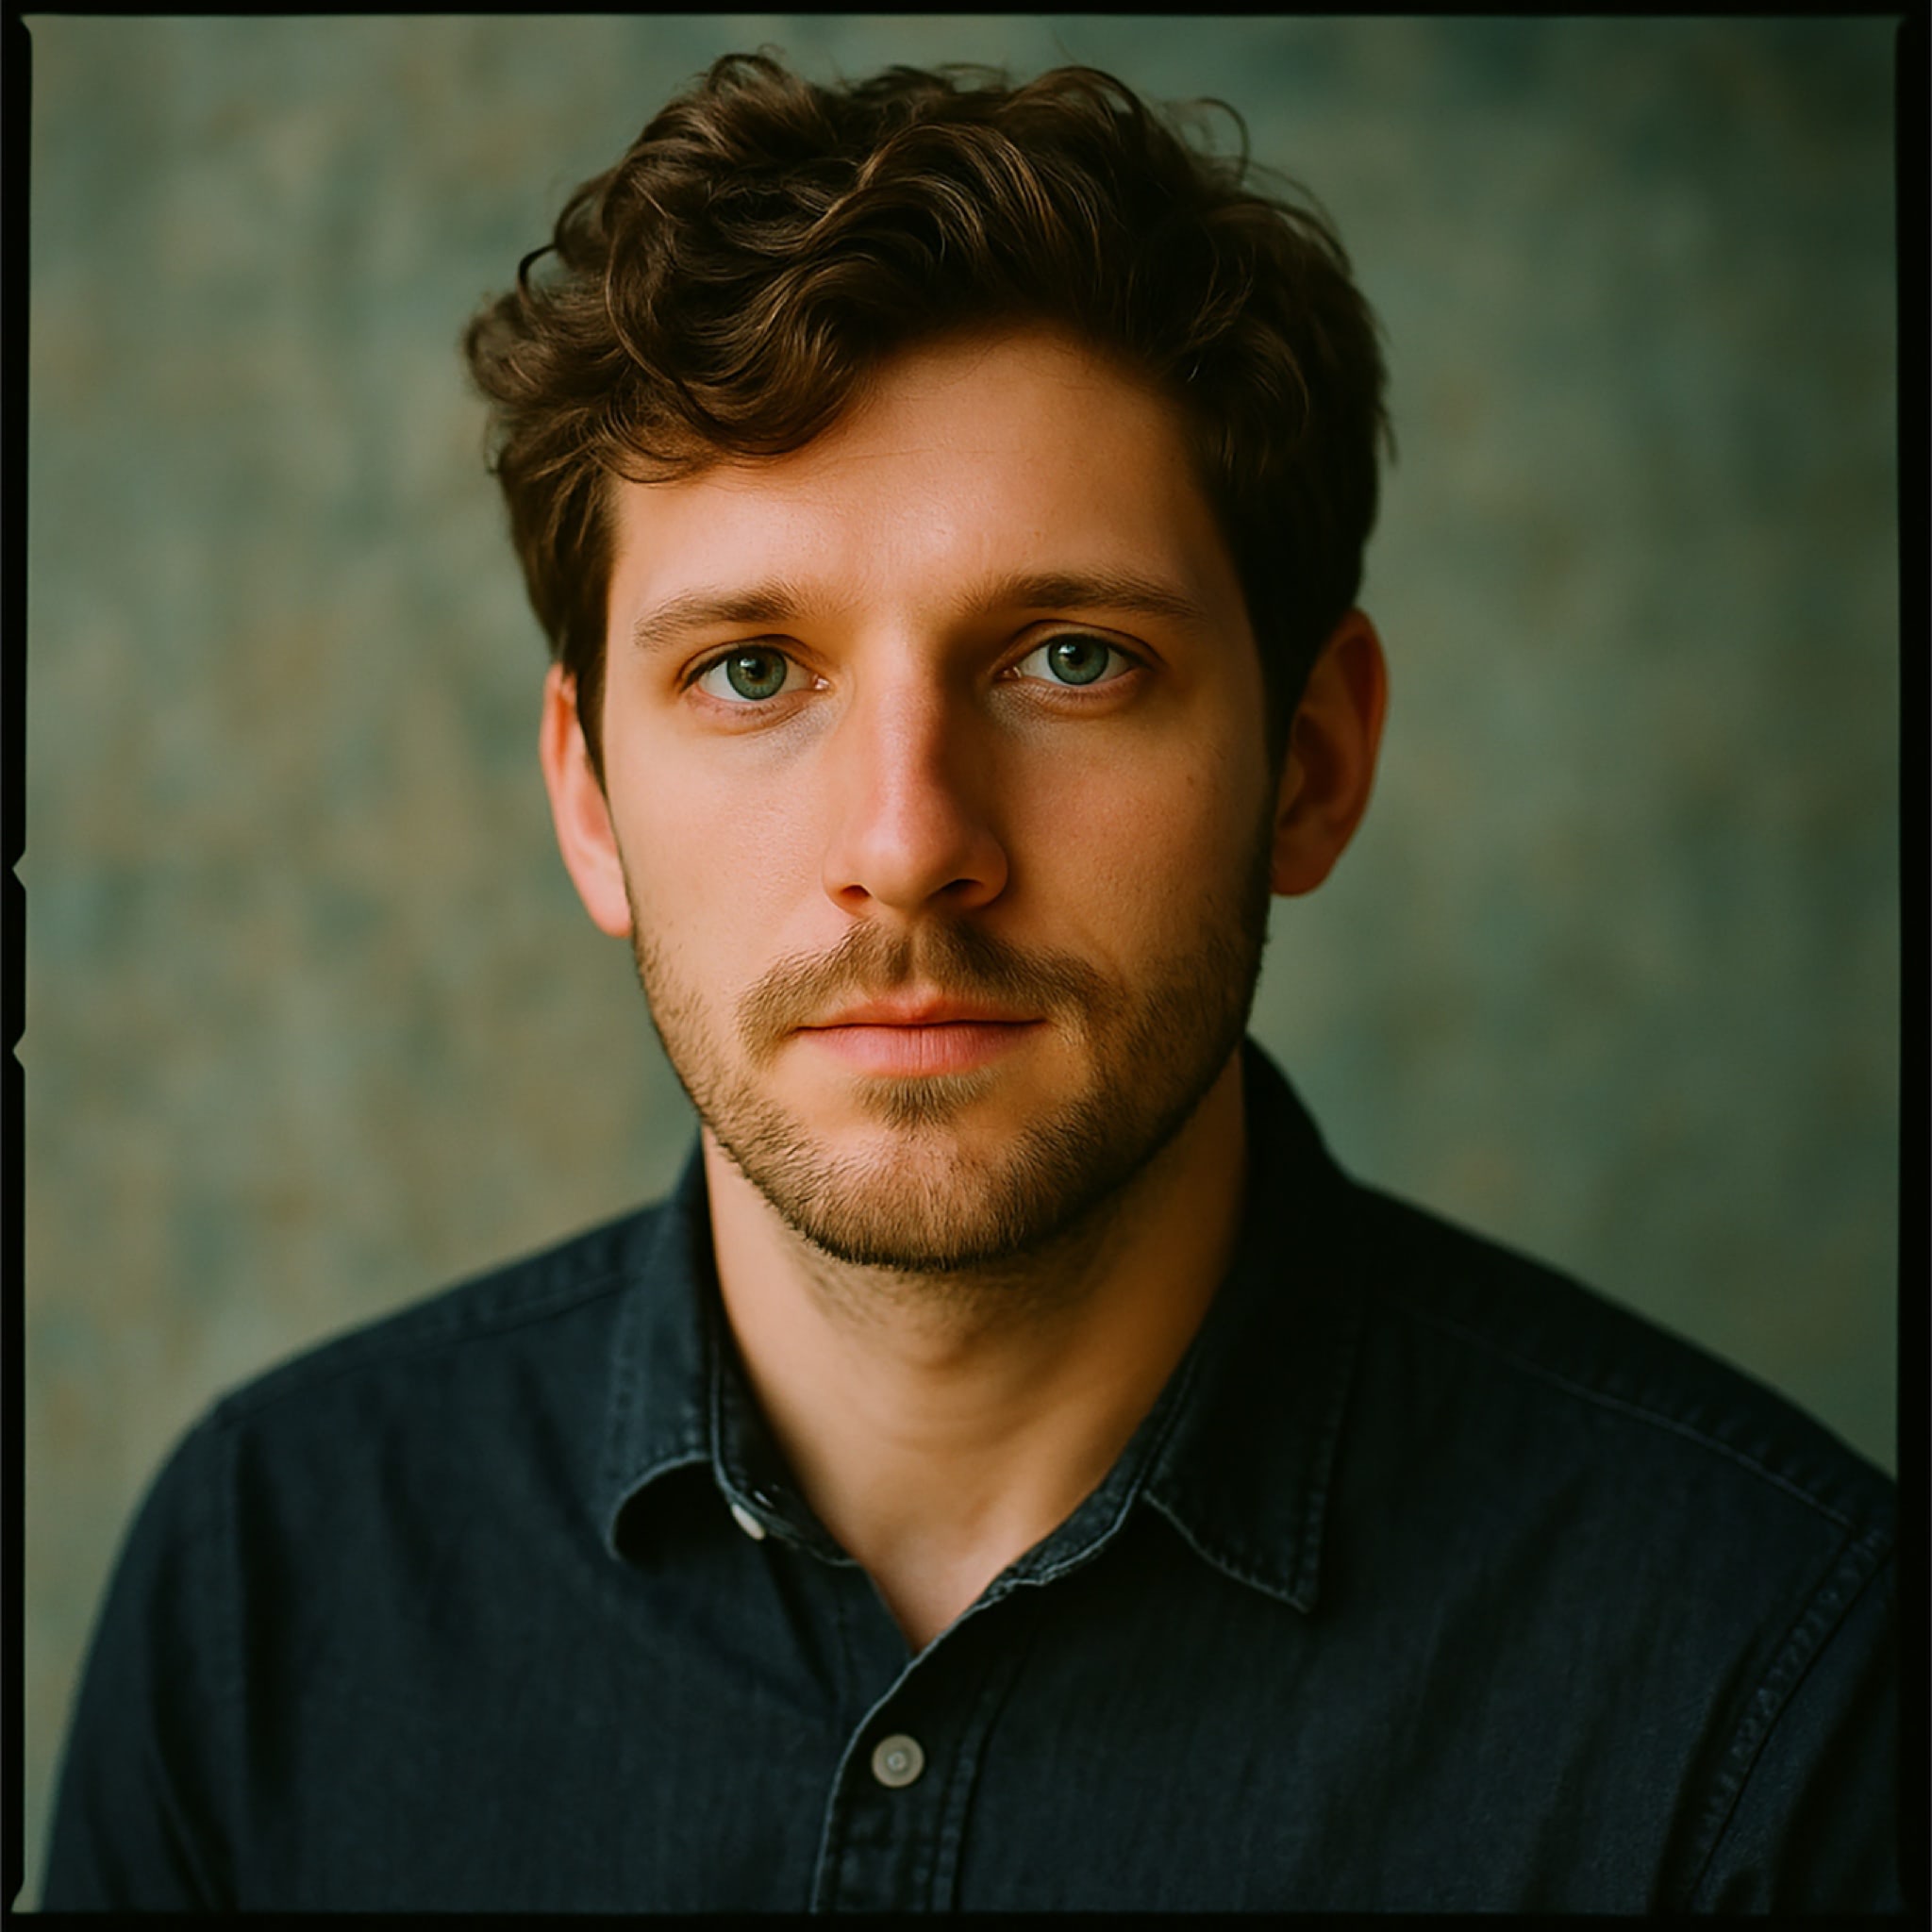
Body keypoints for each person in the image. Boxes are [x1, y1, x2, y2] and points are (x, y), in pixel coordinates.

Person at [42, 52, 1900, 1913]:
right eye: (754, 671)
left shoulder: (1771, 1675)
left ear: (1312, 761)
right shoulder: (260, 1590)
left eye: (1071, 656)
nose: (910, 839)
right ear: (588, 798)